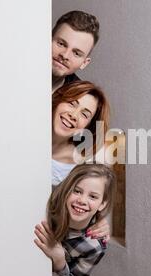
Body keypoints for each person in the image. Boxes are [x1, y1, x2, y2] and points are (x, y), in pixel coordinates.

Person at [34, 164, 116, 276]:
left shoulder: (94, 245)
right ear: (67, 190)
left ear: (103, 203)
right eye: (77, 191)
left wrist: (59, 259)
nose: (82, 200)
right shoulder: (48, 205)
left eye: (93, 196)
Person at [52, 80, 111, 242]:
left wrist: (96, 219)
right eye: (71, 103)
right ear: (58, 101)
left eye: (84, 114)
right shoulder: (25, 134)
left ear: (88, 127)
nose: (73, 115)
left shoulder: (81, 167)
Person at [52, 10, 100, 93]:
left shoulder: (81, 99)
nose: (65, 55)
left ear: (84, 63)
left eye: (76, 53)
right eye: (61, 44)